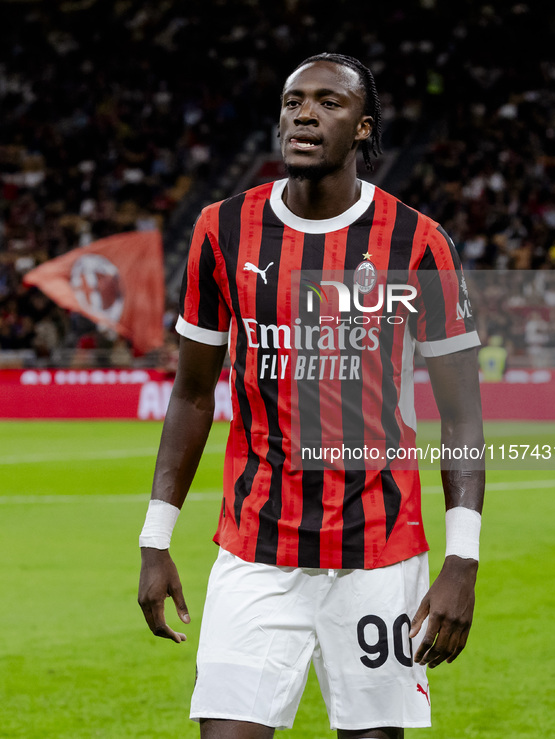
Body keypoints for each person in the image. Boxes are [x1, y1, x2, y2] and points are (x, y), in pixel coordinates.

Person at [138, 53, 485, 738]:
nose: (303, 112)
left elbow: (462, 414)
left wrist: (461, 561)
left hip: (379, 556)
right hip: (254, 548)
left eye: (328, 102)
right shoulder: (221, 229)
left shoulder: (418, 243)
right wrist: (155, 538)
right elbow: (192, 393)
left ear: (363, 127)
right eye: (293, 100)